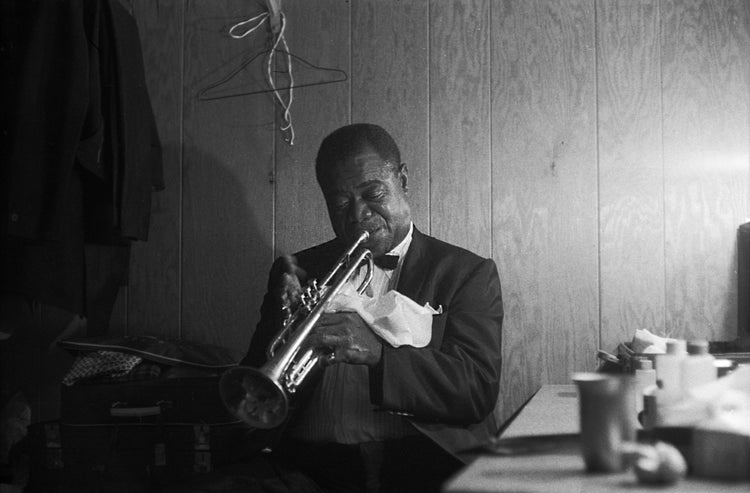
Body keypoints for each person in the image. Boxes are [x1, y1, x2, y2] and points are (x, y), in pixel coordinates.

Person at [241, 123, 504, 493]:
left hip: (419, 464)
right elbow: (254, 381)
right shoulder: (299, 271)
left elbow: (476, 390)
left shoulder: (466, 273)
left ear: (403, 180)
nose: (358, 214)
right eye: (340, 203)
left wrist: (379, 354)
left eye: (372, 193)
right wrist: (285, 325)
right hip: (310, 469)